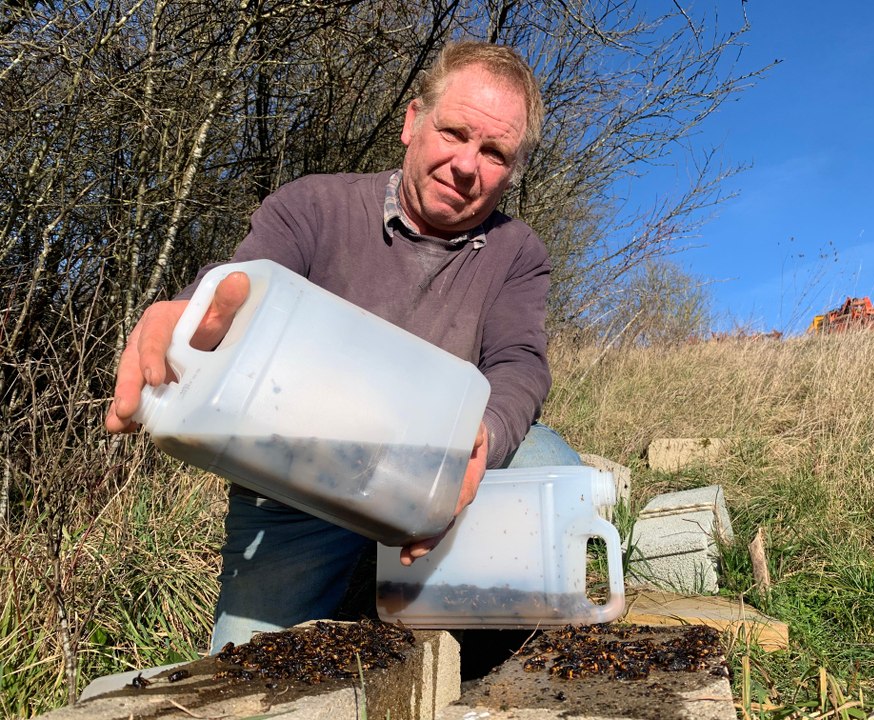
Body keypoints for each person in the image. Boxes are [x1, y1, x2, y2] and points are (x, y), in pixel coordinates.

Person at [106, 40, 580, 652]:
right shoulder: (313, 206)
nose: (468, 165)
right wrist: (193, 312)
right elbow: (242, 286)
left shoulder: (519, 252)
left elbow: (519, 363)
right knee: (248, 672)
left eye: (494, 152)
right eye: (455, 132)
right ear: (413, 123)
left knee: (552, 466)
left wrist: (485, 432)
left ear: (512, 170)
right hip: (298, 475)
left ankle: (469, 638)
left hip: (431, 470)